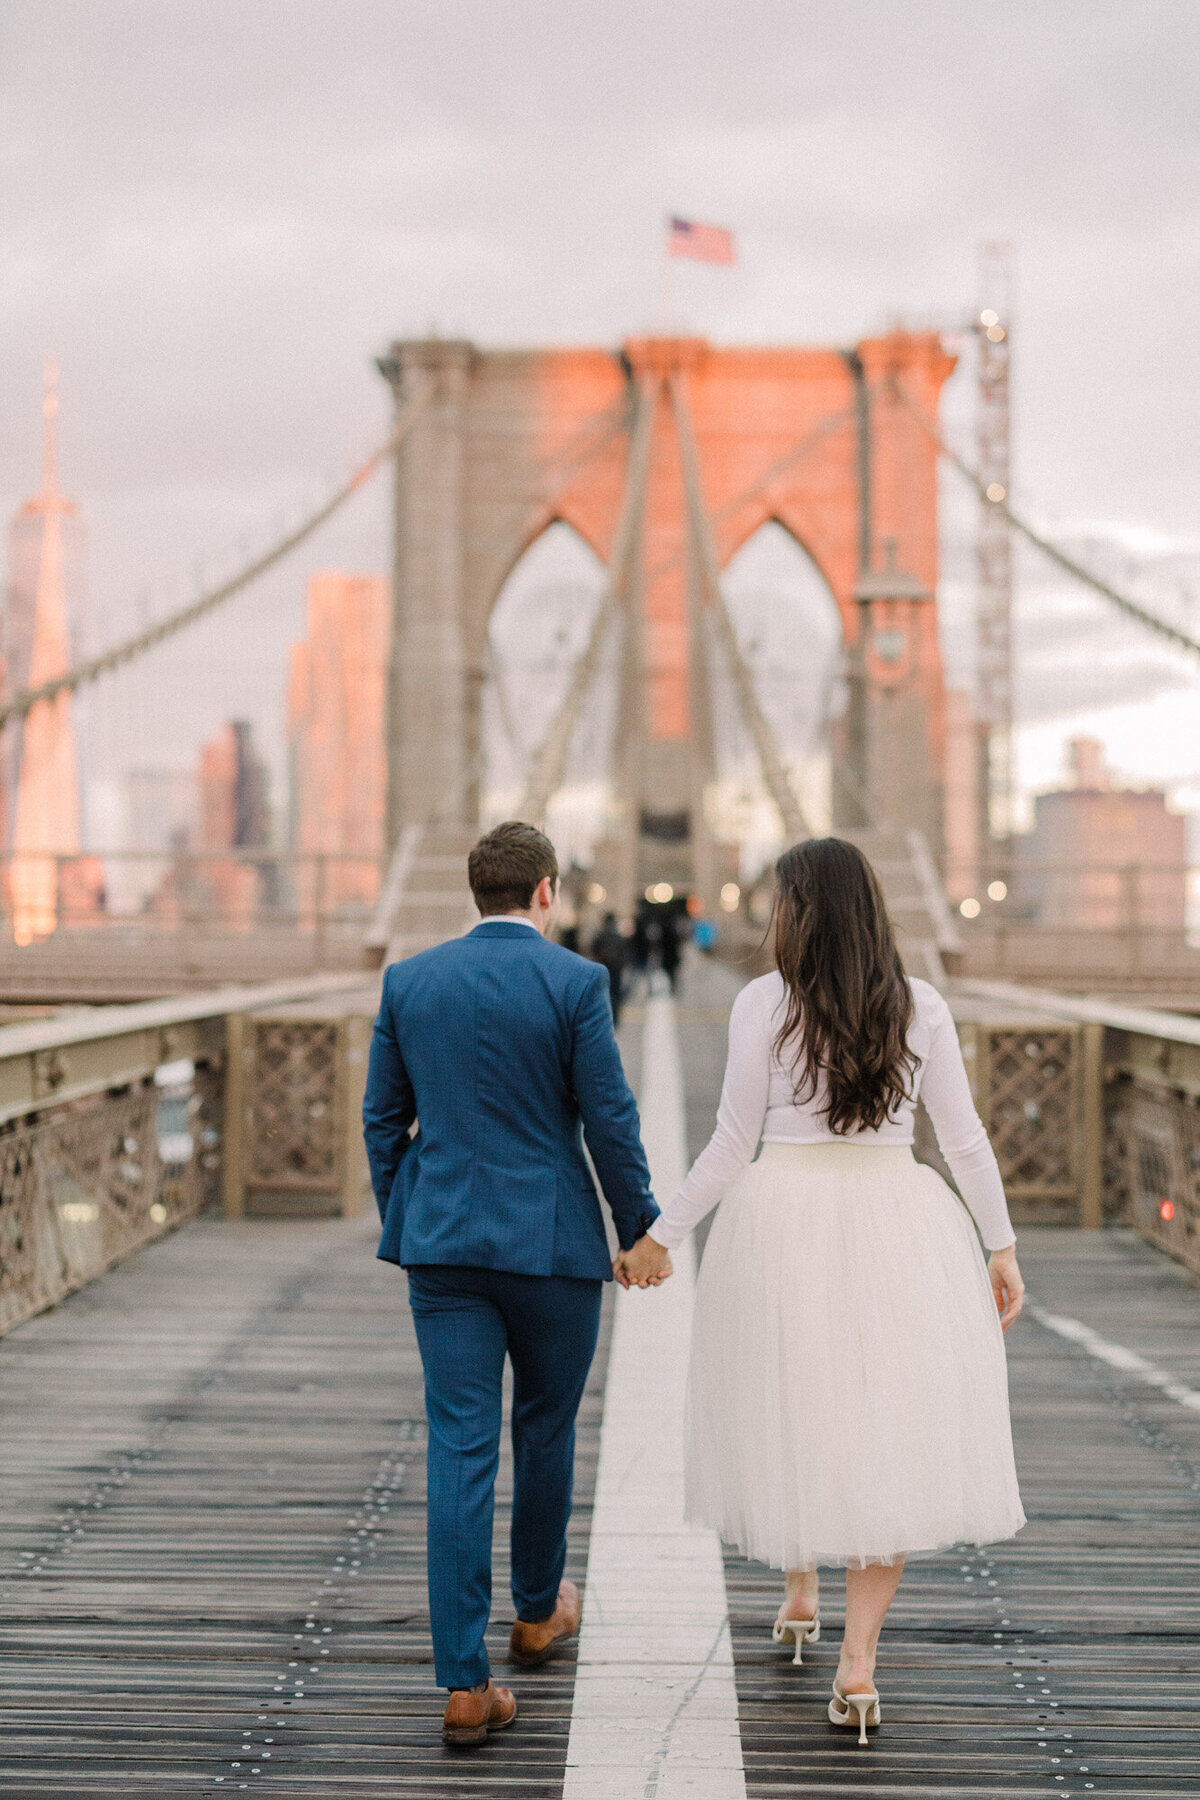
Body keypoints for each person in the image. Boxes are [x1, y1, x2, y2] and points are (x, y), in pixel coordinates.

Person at [616, 837, 1025, 1747]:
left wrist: (656, 1238)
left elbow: (728, 1144)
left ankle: (798, 1590)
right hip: (898, 1218)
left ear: (797, 912)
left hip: (783, 1218)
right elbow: (965, 1142)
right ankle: (858, 1666)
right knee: (883, 1426)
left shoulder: (765, 1003)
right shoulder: (921, 1007)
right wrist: (999, 1246)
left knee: (796, 1403)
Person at [363, 821, 664, 1747]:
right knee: (545, 1426)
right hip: (554, 1247)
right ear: (546, 892)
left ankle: (464, 1683)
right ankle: (537, 1613)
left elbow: (383, 1121)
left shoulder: (410, 982)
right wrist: (639, 1226)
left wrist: (410, 1217)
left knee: (459, 1449)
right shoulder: (575, 983)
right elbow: (608, 1118)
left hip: (445, 1248)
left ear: (475, 892)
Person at [589, 910, 629, 1026]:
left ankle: (604, 1018)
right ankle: (615, 1018)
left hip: (603, 968)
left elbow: (593, 950)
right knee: (616, 994)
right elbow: (625, 952)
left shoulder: (600, 935)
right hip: (616, 969)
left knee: (602, 994)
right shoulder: (618, 936)